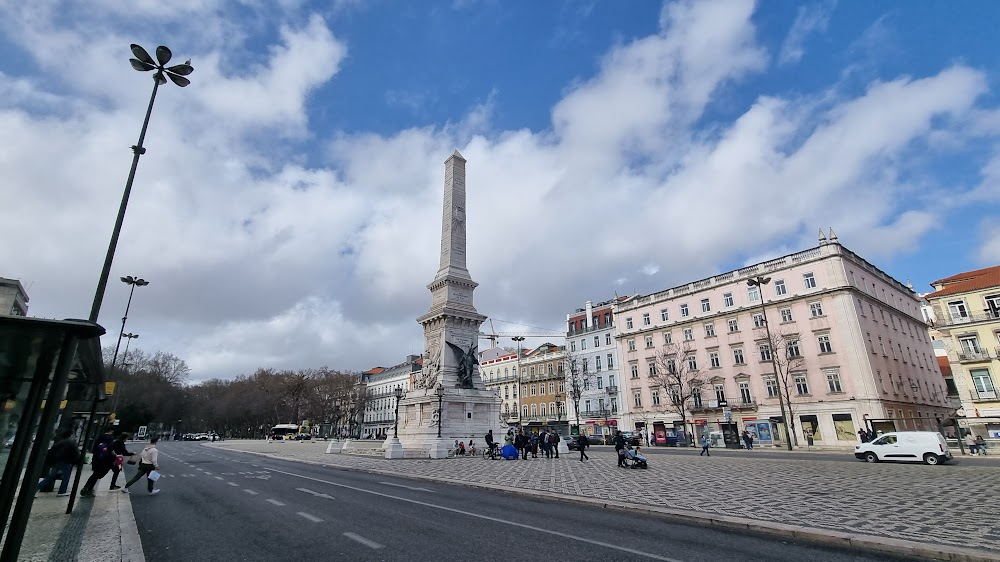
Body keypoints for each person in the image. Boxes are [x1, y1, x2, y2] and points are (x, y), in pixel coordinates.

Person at [38, 430, 80, 496]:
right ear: (71, 435)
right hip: (67, 462)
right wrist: (76, 462)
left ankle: (37, 487)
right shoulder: (72, 443)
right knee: (66, 477)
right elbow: (76, 454)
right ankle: (62, 491)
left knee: (50, 477)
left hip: (57, 461)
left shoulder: (60, 442)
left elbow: (52, 451)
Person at [80, 428, 116, 497]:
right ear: (111, 431)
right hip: (104, 460)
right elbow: (110, 449)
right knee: (97, 475)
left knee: (95, 474)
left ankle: (87, 487)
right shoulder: (110, 438)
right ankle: (89, 488)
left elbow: (94, 449)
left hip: (96, 458)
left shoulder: (99, 437)